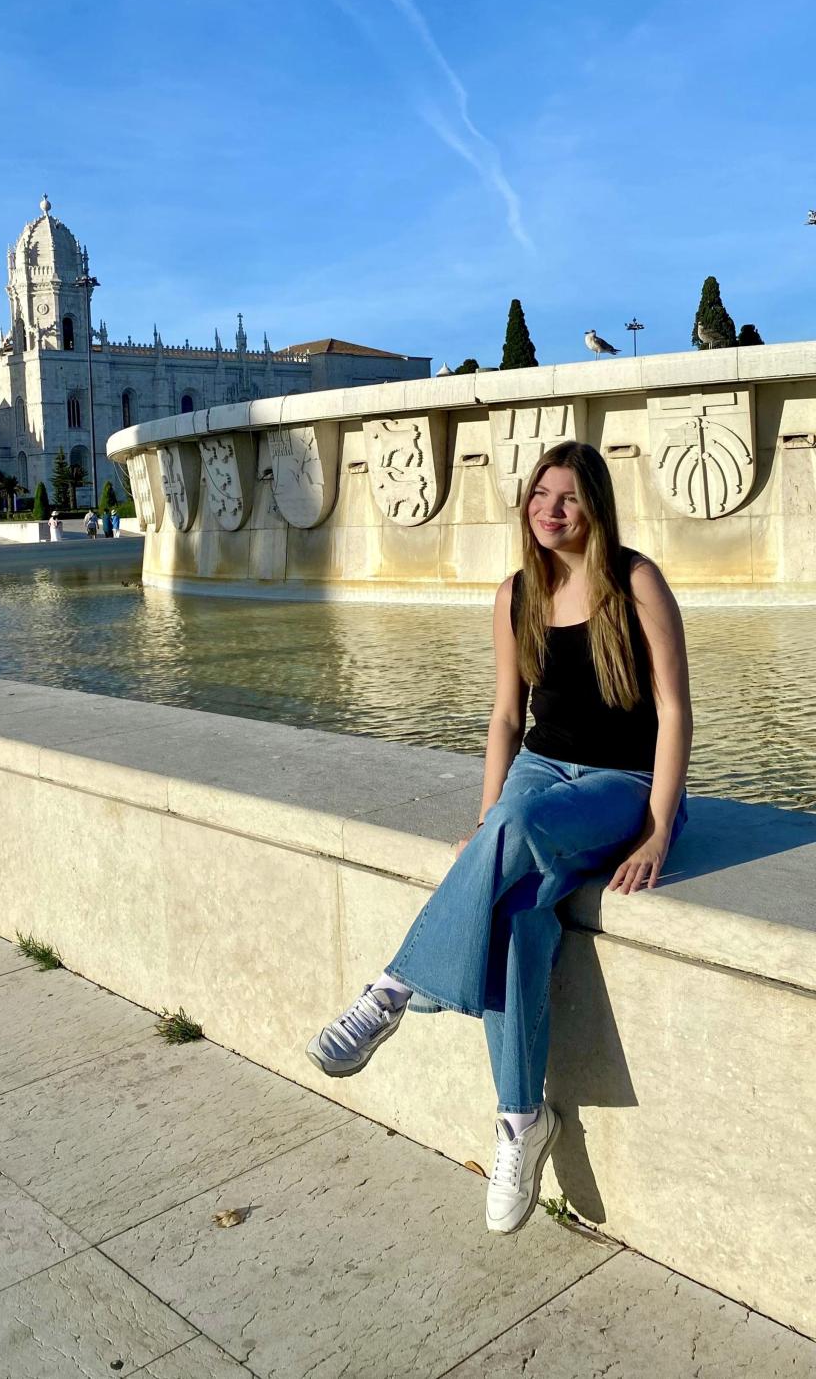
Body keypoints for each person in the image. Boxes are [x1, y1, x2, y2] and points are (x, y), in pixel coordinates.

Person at [307, 440, 692, 1235]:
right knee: (519, 917)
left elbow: (675, 710)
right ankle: (522, 1119)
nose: (551, 510)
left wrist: (657, 829)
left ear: (595, 506)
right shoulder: (516, 593)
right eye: (540, 495)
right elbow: (507, 718)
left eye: (569, 497)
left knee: (515, 835)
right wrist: (488, 819)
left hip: (621, 785)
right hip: (537, 774)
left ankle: (396, 988)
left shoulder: (636, 581)